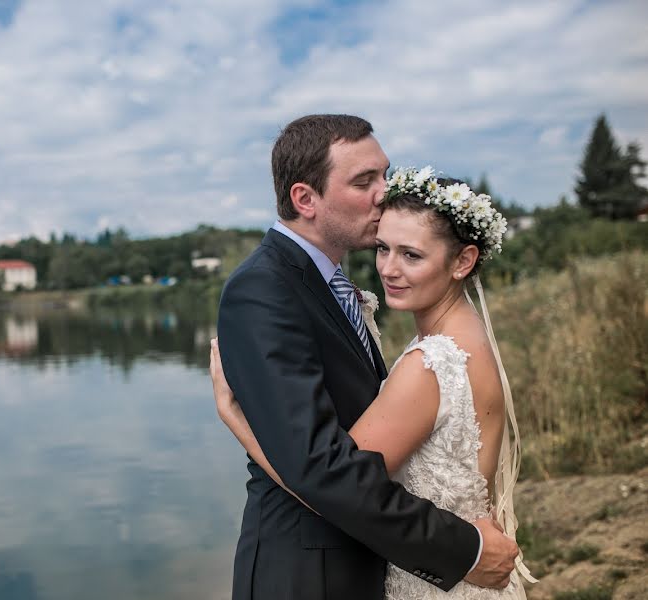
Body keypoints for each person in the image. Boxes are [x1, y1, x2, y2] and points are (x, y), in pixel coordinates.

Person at [213, 114, 522, 600]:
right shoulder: (263, 290)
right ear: (305, 199)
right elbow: (320, 469)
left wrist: (239, 423)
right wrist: (463, 550)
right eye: (364, 181)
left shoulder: (338, 288)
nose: (385, 191)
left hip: (371, 561)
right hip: (306, 576)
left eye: (384, 173)